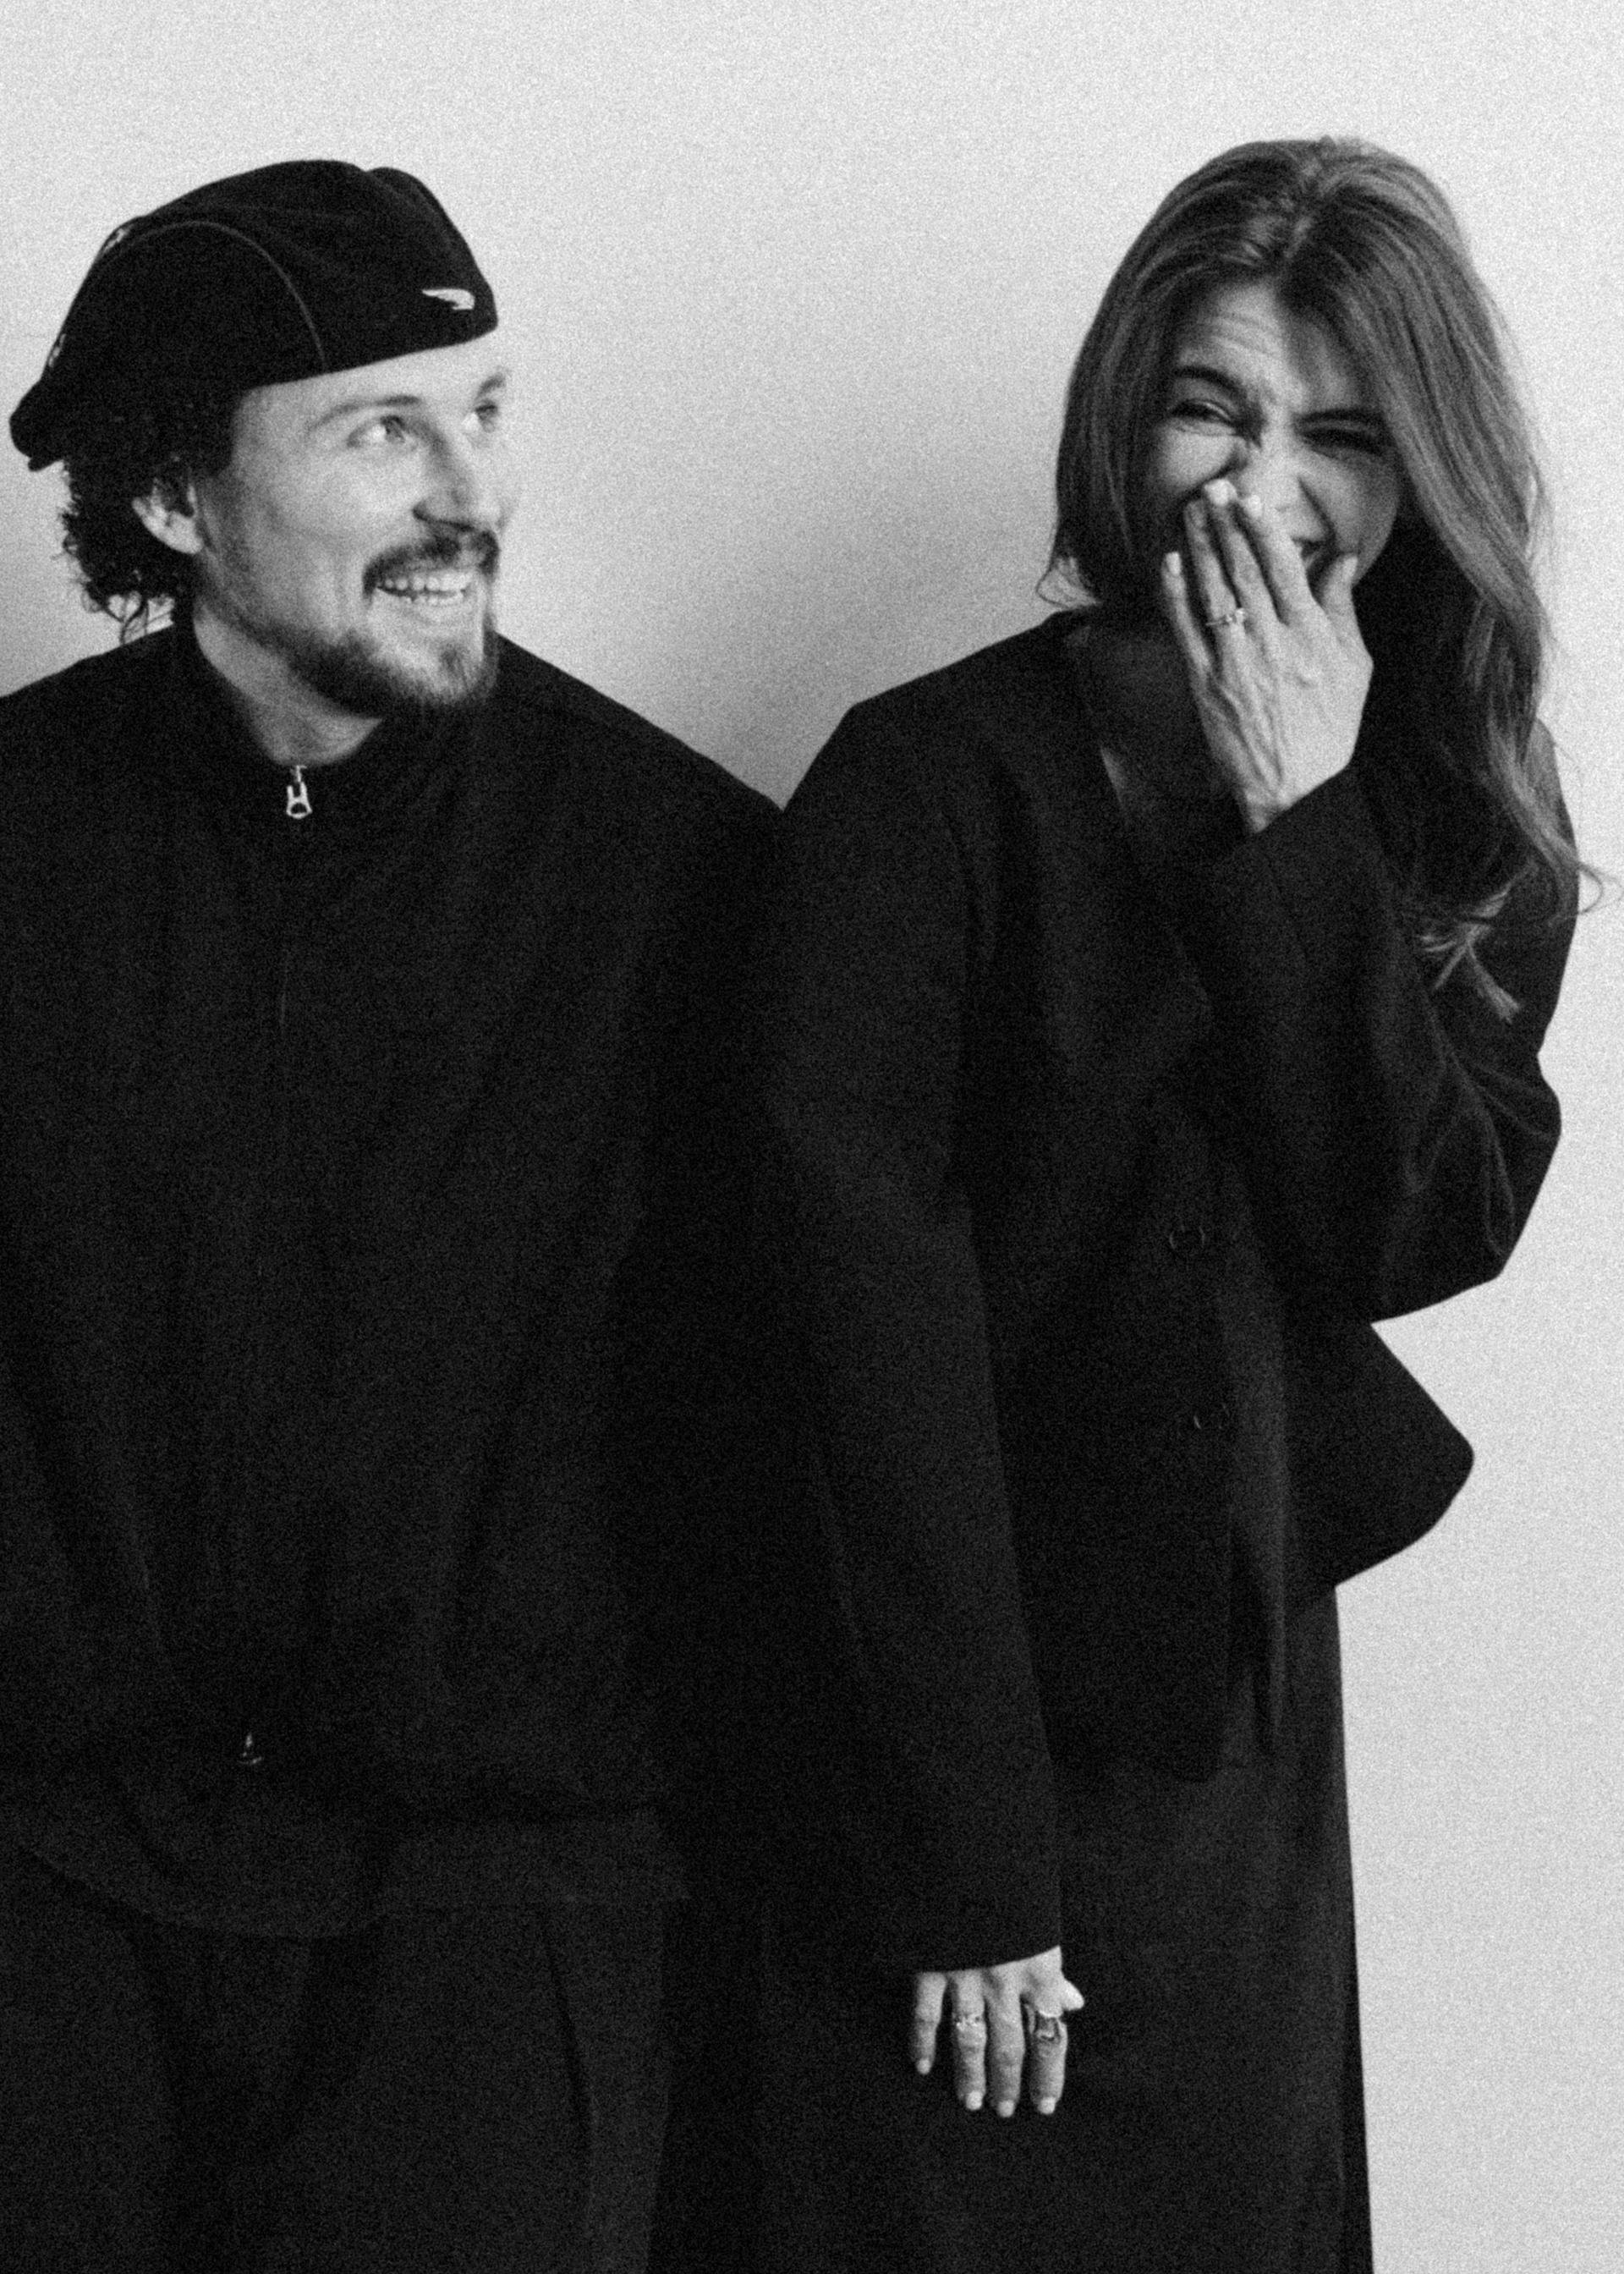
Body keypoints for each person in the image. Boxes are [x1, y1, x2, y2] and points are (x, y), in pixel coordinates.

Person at [750, 138, 1583, 2271]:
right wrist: (971, 1863)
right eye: (1214, 409)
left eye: (1345, 436)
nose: (1262, 488)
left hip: (1226, 1767)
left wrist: (1301, 818)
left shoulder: (1452, 814)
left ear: (1424, 473)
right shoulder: (922, 785)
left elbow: (1413, 1229)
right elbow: (854, 1347)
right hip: (924, 1743)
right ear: (1127, 416)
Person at [0, 162, 773, 2273]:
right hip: (49, 1896)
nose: (472, 493)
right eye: (381, 430)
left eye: (488, 412)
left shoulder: (686, 882)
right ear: (176, 498)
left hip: (497, 1916)